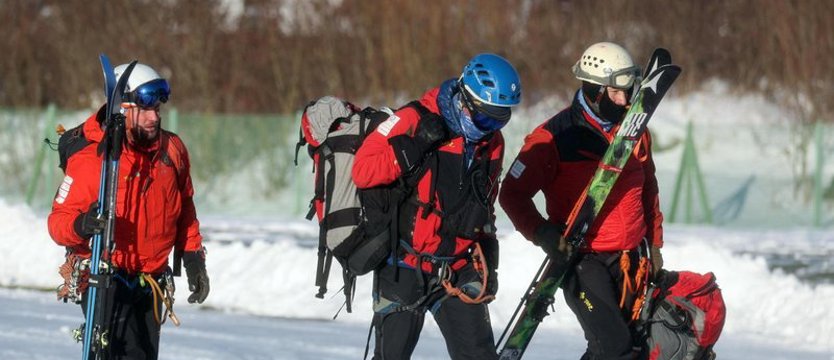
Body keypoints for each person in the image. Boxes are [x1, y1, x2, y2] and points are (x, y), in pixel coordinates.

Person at [499, 42, 664, 359]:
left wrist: (654, 243)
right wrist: (542, 233)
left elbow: (649, 189)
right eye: (616, 93)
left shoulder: (637, 130)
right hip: (582, 260)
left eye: (629, 91)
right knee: (615, 347)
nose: (626, 101)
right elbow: (512, 194)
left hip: (631, 258)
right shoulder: (554, 138)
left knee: (619, 345)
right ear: (593, 89)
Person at [352, 53, 521, 359]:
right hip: (404, 265)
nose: (488, 128)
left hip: (456, 269)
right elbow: (362, 171)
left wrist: (489, 257)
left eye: (499, 119)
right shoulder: (413, 118)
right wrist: (415, 146)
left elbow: (484, 204)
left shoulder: (492, 143)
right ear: (464, 99)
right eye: (484, 118)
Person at [48, 62, 209, 359]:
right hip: (106, 279)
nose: (155, 117)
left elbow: (184, 206)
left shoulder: (172, 149)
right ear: (123, 109)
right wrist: (83, 224)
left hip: (151, 282)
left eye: (158, 109)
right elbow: (58, 222)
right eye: (145, 110)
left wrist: (193, 256)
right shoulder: (92, 160)